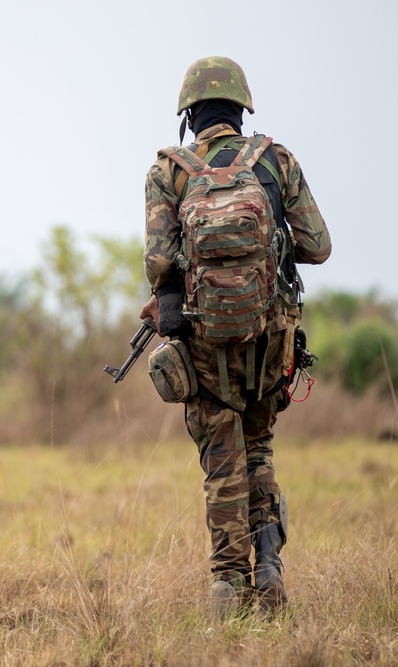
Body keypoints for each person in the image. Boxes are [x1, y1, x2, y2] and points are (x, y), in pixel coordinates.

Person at [141, 56, 331, 617]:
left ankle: (229, 588)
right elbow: (318, 246)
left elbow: (158, 265)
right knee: (259, 446)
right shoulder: (276, 161)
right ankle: (270, 572)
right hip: (269, 340)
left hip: (204, 344)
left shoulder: (167, 172)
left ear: (188, 115)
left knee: (222, 462)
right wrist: (264, 256)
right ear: (242, 108)